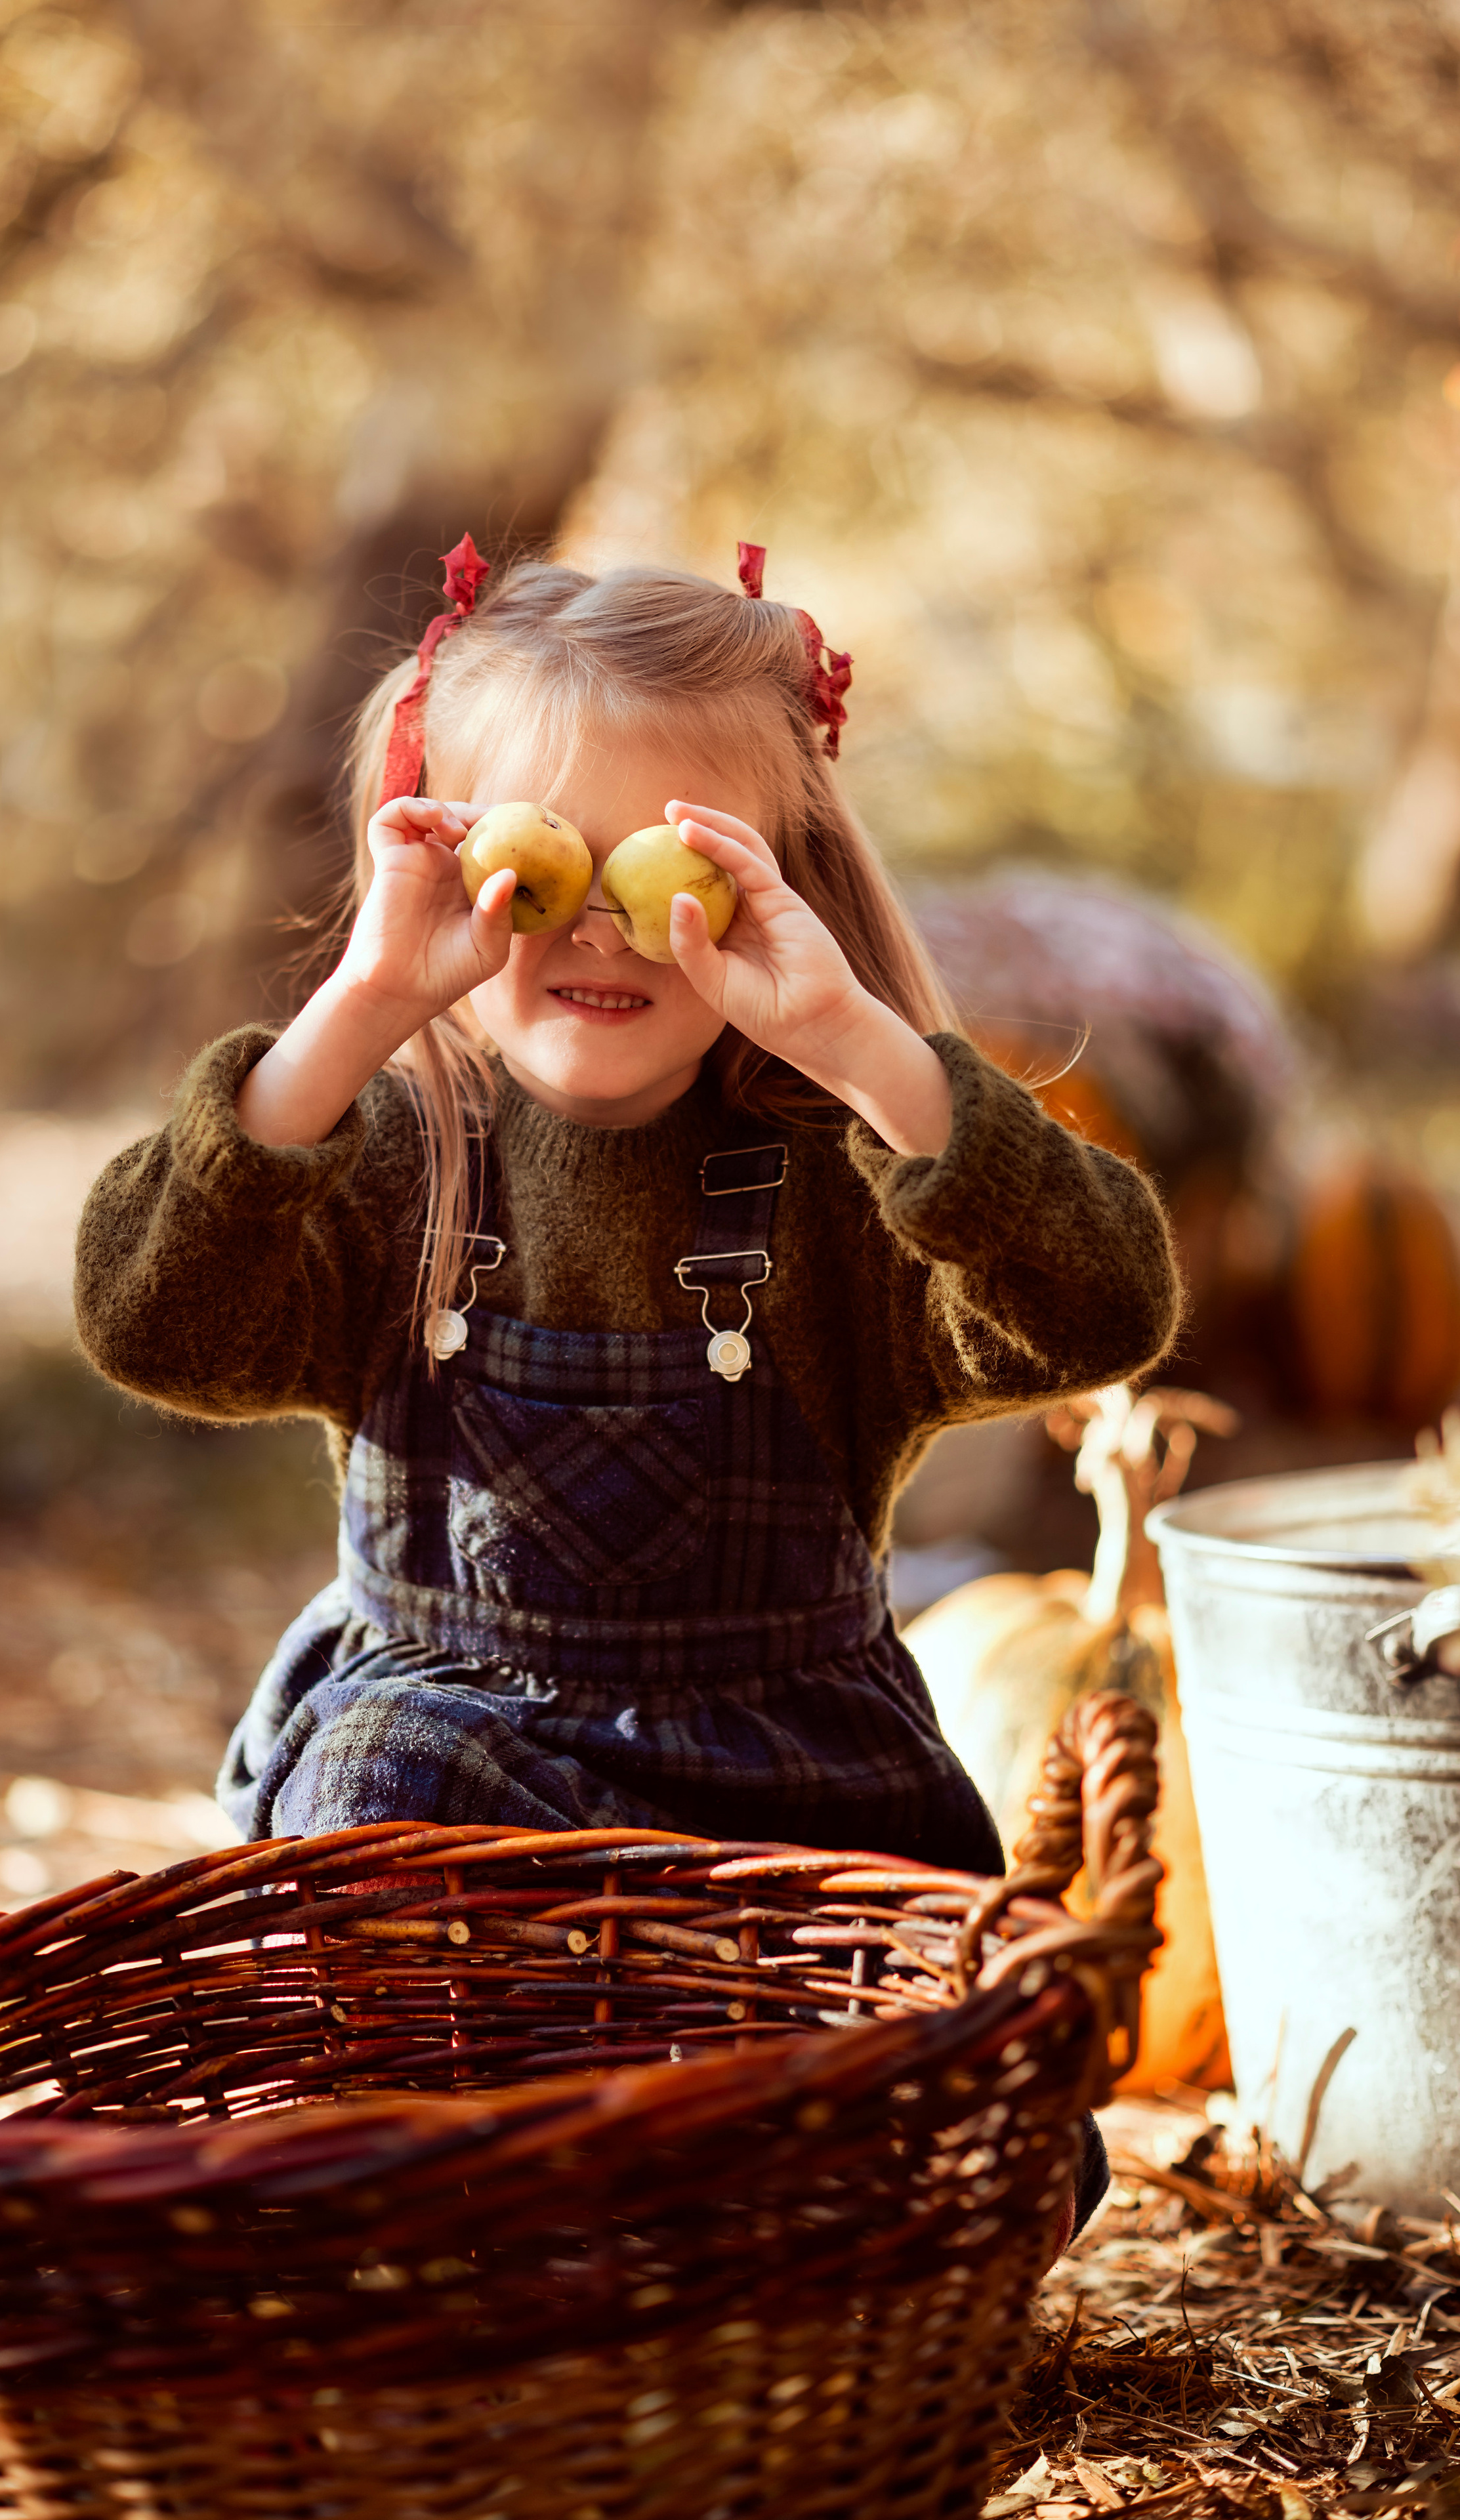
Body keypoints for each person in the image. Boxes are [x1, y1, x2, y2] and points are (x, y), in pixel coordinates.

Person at [75, 541, 1182, 2240]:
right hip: (447, 1799)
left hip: (782, 1812)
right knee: (375, 1822)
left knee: (961, 2141)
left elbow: (1106, 1304)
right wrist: (360, 1005)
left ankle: (727, 2278)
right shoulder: (380, 1150)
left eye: (663, 865)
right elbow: (151, 1316)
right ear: (445, 864)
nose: (596, 921)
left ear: (780, 876)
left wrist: (867, 1051)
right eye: (544, 863)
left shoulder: (835, 1179)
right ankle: (455, 2263)